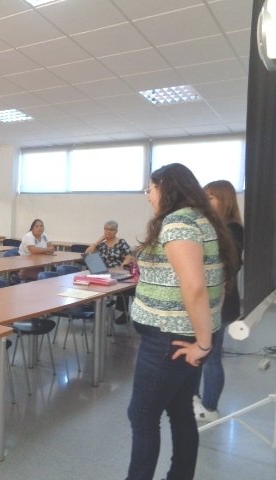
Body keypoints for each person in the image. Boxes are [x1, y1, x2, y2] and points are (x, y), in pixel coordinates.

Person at [125, 163, 236, 480]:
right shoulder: (205, 221)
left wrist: (202, 344)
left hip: (169, 339)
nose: (148, 196)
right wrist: (205, 337)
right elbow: (219, 282)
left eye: (150, 189)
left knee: (143, 415)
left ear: (165, 187)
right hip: (185, 336)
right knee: (180, 410)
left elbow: (195, 287)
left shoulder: (177, 224)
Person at [193, 180, 244, 423]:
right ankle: (195, 397)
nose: (206, 202)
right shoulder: (217, 227)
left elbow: (226, 265)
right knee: (203, 352)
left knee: (212, 356)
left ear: (224, 200)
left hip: (221, 302)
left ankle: (210, 407)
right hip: (209, 300)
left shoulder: (232, 229)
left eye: (211, 197)